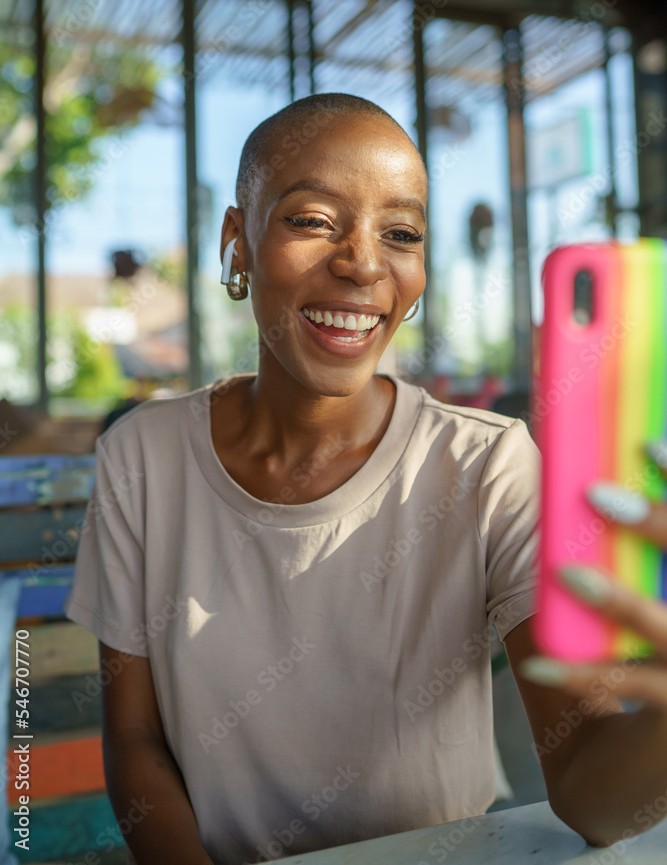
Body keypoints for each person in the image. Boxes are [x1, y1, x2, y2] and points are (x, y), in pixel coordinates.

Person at [63, 94, 667, 865]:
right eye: (312, 220)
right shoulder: (140, 457)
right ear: (236, 243)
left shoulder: (485, 465)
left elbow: (593, 800)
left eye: (401, 233)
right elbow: (135, 736)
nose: (362, 262)